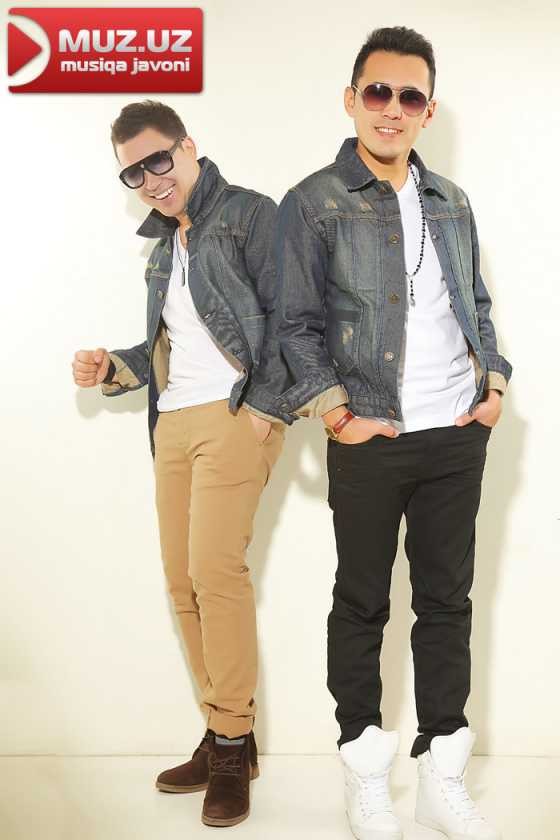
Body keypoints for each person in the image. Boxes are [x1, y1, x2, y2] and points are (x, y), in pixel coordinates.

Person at [274, 27, 511, 840]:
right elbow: (293, 324)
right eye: (378, 91)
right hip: (370, 438)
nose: (393, 109)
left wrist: (494, 383)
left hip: (455, 433)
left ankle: (442, 776)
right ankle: (364, 772)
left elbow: (476, 304)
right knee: (362, 603)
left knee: (446, 604)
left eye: (411, 96)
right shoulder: (313, 201)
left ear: (428, 111)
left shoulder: (452, 200)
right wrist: (337, 414)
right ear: (352, 99)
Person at [72, 100, 290, 829]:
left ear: (188, 147)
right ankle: (228, 734)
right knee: (181, 581)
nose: (150, 180)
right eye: (133, 173)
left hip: (233, 415)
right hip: (172, 423)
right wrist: (113, 365)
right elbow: (168, 345)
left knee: (215, 573)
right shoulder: (165, 247)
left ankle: (229, 743)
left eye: (158, 160)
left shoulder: (250, 214)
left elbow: (294, 316)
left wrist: (266, 408)